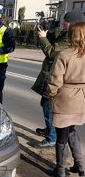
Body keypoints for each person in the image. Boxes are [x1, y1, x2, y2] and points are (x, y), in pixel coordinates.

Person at [31, 11, 85, 148]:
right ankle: (50, 130)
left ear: (71, 23)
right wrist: (48, 33)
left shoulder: (69, 38)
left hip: (60, 83)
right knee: (45, 104)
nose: (62, 23)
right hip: (63, 84)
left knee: (49, 107)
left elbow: (51, 52)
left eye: (64, 21)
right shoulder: (66, 35)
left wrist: (43, 38)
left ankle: (52, 137)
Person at [47, 21, 85, 177]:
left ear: (72, 35)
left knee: (62, 135)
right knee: (71, 130)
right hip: (81, 98)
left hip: (65, 98)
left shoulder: (65, 55)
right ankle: (80, 165)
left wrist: (51, 94)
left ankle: (60, 170)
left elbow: (55, 79)